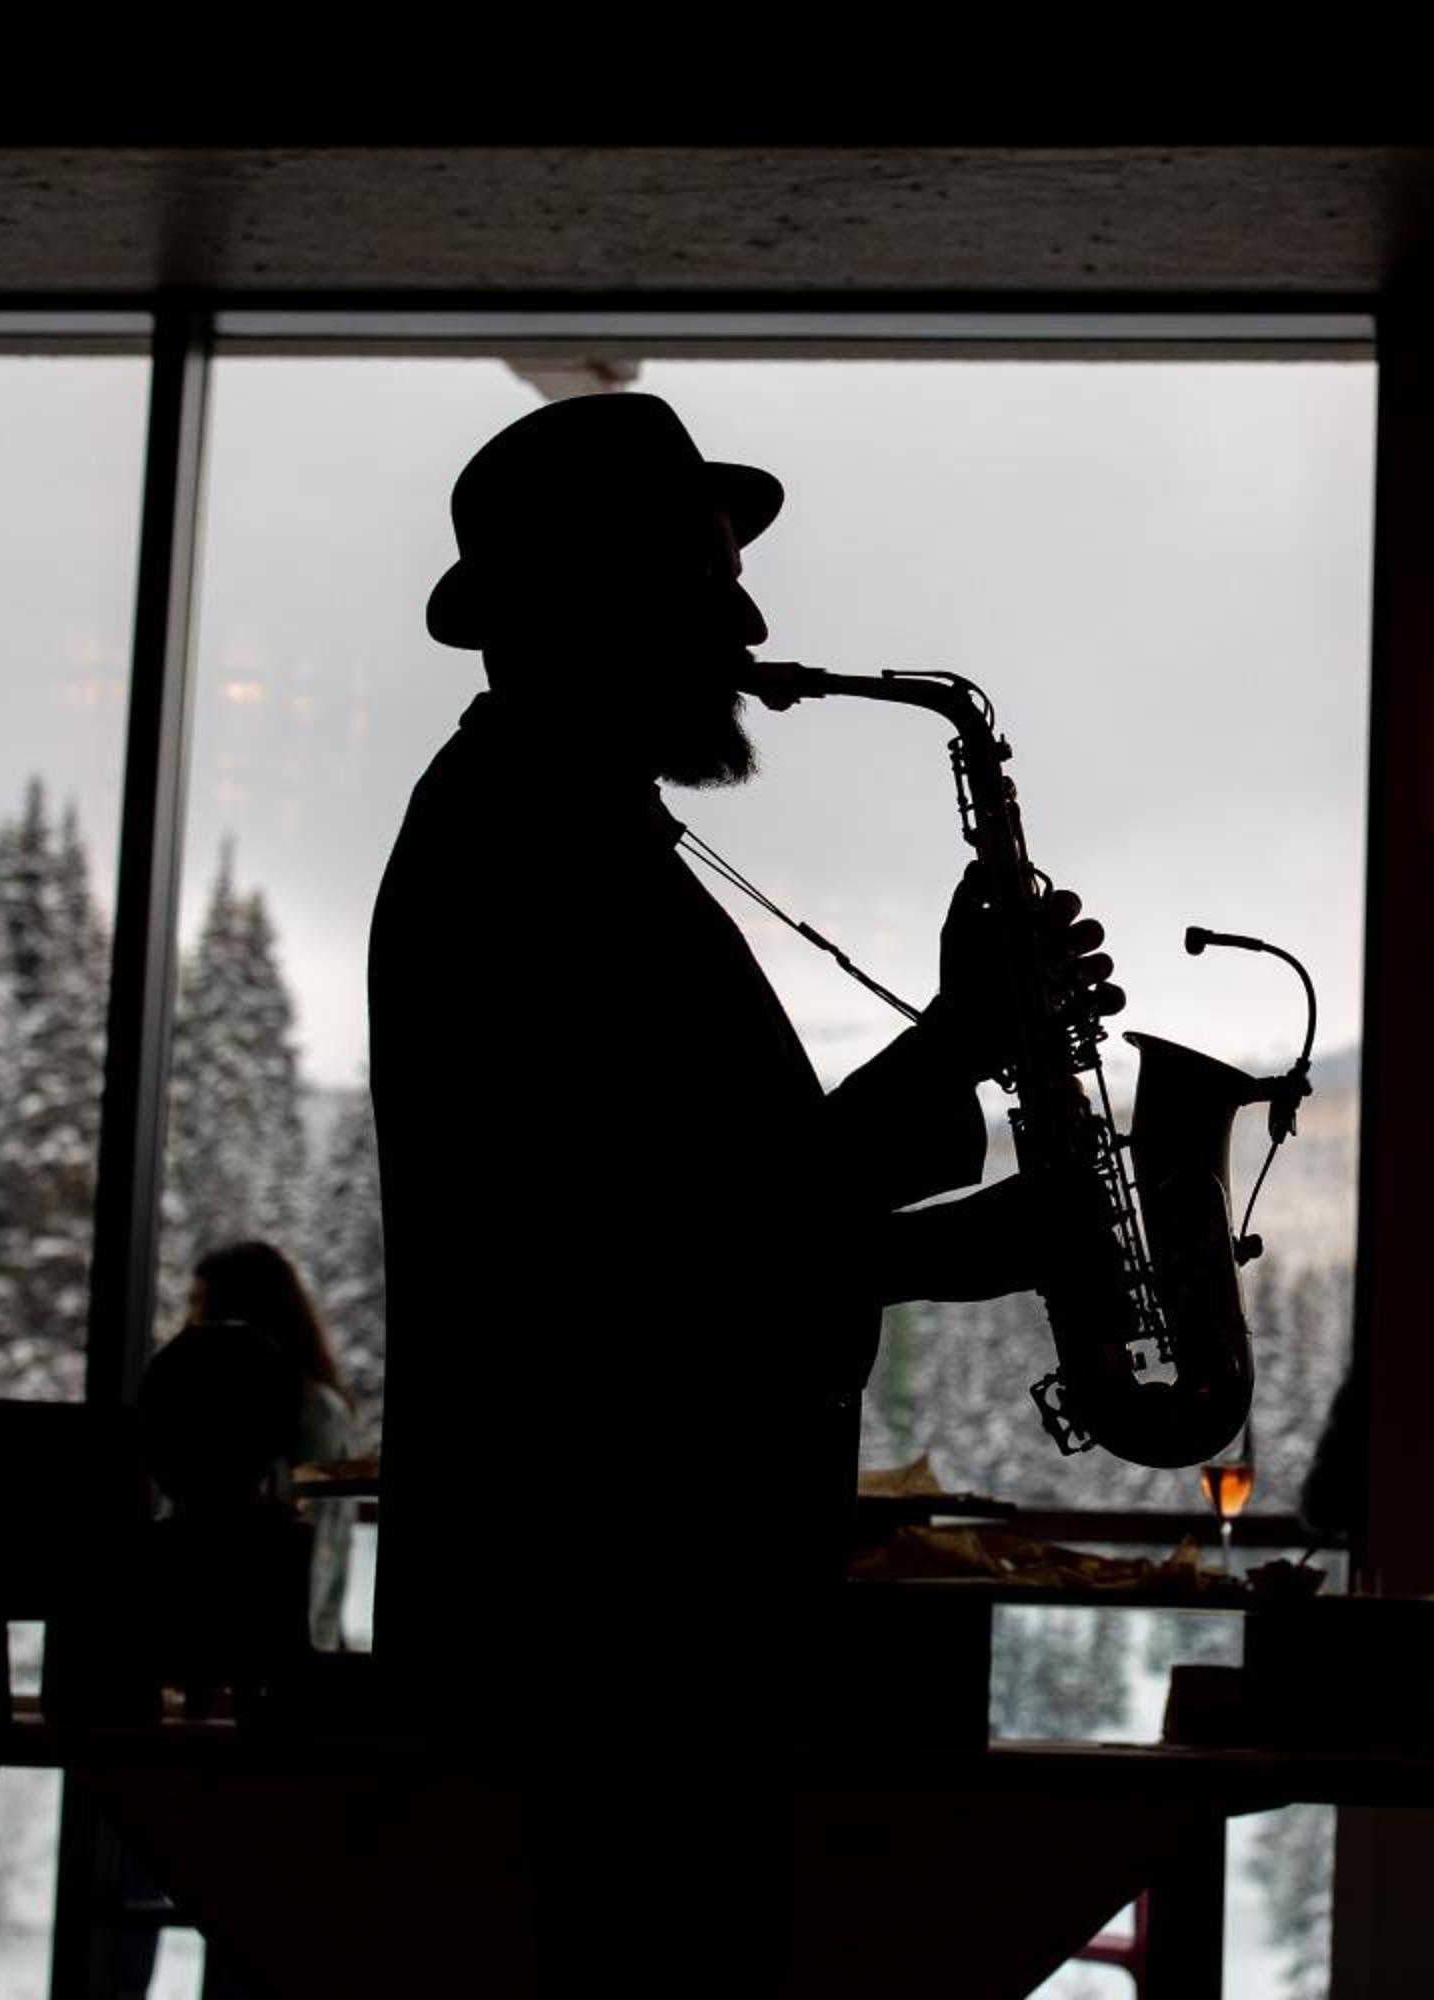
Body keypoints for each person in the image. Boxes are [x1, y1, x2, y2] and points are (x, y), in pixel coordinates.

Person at [369, 391, 1112, 1994]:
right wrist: (956, 1245)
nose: (754, 628)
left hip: (630, 1621)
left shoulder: (561, 827)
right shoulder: (525, 851)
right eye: (712, 585)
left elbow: (710, 1193)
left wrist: (962, 1038)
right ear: (599, 604)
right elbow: (636, 1261)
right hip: (611, 1626)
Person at [185, 1239, 360, 1649]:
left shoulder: (296, 1412)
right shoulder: (319, 1406)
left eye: (200, 1303)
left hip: (260, 1648)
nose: (191, 1320)